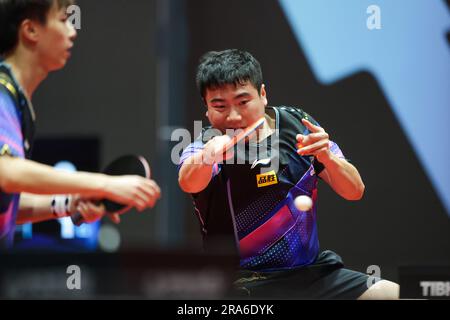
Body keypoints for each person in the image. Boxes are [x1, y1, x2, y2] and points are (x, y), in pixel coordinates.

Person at [178, 49, 399, 299]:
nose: (234, 116)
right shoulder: (205, 144)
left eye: (242, 101)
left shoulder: (297, 125)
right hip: (240, 283)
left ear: (262, 94)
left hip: (311, 276)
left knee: (393, 295)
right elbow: (188, 181)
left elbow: (354, 191)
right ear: (207, 110)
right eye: (220, 106)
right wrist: (209, 156)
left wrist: (327, 158)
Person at [0, 0, 161, 249]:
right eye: (63, 20)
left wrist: (68, 203)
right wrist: (105, 184)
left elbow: (9, 205)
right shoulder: (2, 94)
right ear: (30, 30)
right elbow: (7, 172)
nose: (73, 31)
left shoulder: (18, 104)